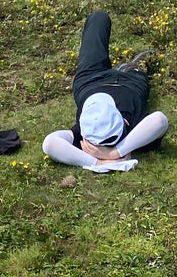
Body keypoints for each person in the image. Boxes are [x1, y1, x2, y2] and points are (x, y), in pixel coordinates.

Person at [43, 11, 169, 172]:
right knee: (138, 71)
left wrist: (96, 162)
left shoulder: (84, 136)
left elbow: (50, 143)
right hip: (130, 83)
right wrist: (117, 152)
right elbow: (160, 120)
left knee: (98, 18)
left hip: (90, 80)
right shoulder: (134, 132)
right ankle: (132, 66)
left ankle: (131, 66)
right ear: (125, 123)